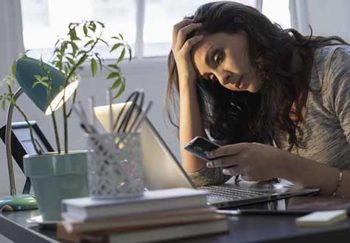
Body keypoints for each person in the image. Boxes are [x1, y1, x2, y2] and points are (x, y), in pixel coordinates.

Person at [166, 1, 350, 198]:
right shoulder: (262, 92)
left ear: (245, 29)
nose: (222, 78)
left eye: (218, 57)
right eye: (211, 77)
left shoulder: (336, 67)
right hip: (312, 224)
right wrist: (186, 79)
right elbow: (202, 175)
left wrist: (282, 165)